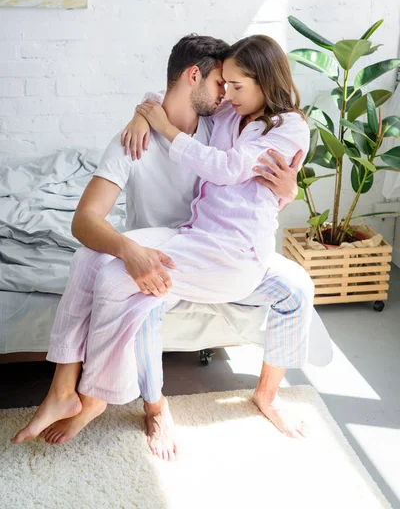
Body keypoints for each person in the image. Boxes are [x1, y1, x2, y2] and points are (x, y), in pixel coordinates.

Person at [11, 34, 324, 460]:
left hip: (223, 252)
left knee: (298, 287)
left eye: (232, 86)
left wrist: (290, 191)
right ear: (197, 77)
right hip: (170, 249)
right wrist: (145, 116)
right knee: (117, 276)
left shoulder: (222, 119)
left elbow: (243, 168)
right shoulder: (140, 138)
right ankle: (140, 404)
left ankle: (266, 396)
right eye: (221, 85)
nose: (227, 95)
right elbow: (86, 219)